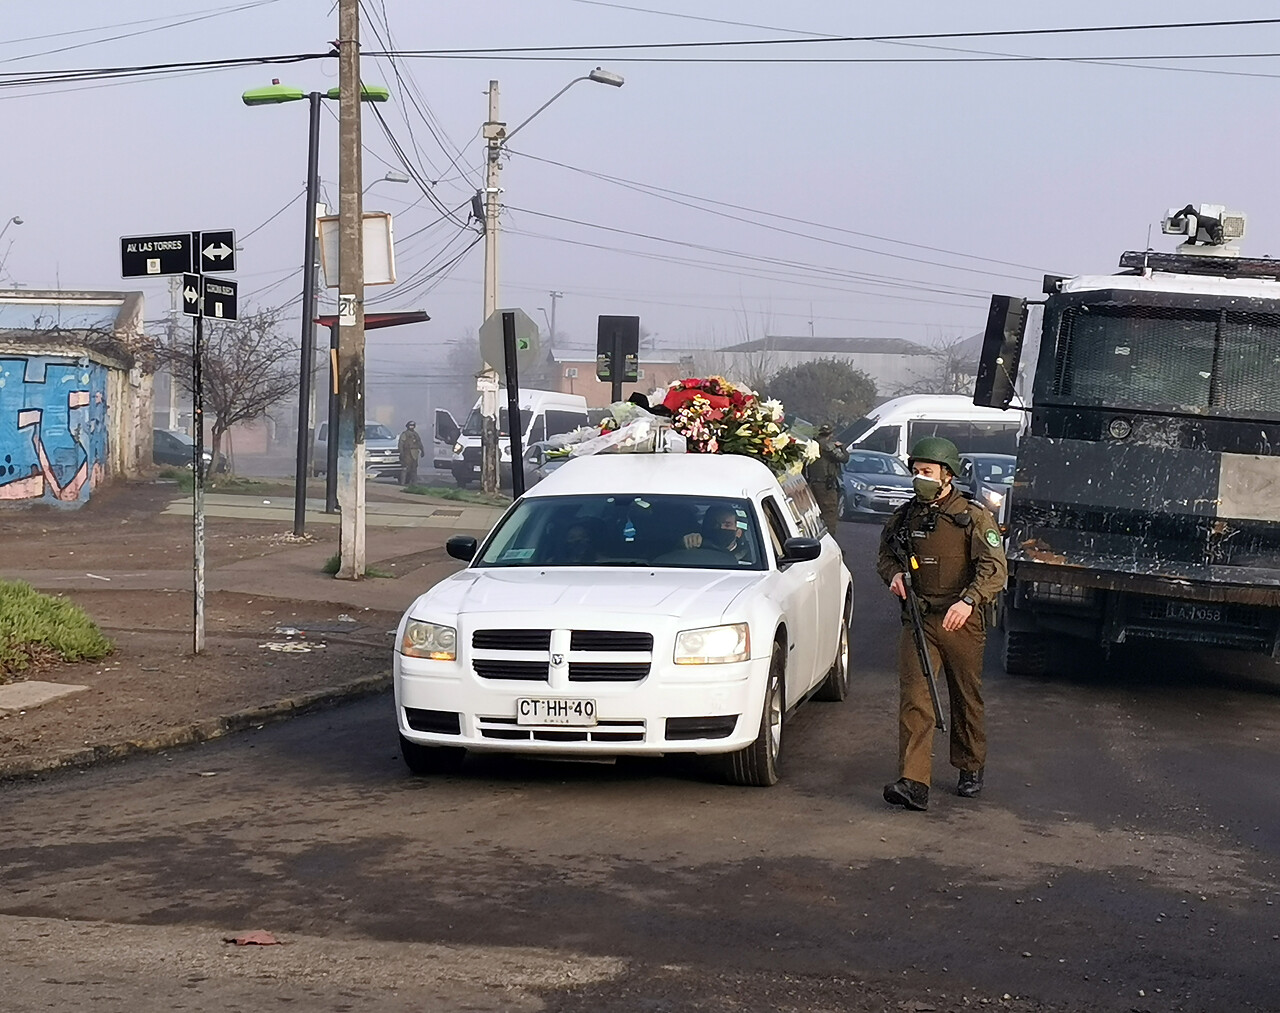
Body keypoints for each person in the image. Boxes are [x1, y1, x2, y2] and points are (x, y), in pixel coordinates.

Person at [876, 437, 1007, 812]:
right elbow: (885, 555)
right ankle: (914, 782)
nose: (920, 478)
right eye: (916, 472)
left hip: (961, 621)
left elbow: (994, 568)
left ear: (947, 475)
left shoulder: (974, 517)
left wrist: (969, 600)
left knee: (966, 696)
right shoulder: (904, 517)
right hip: (919, 618)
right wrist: (894, 575)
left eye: (928, 472)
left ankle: (970, 764)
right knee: (915, 699)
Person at [805, 423, 849, 532]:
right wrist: (842, 448)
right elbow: (843, 459)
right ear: (830, 434)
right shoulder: (828, 446)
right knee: (829, 512)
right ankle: (830, 541)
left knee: (814, 513)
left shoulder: (811, 445)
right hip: (825, 485)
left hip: (812, 482)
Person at [682, 503, 749, 561]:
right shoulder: (696, 549)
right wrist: (685, 543)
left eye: (727, 525)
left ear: (738, 532)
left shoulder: (751, 558)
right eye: (714, 524)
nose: (721, 527)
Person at [397, 420, 425, 486]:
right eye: (410, 425)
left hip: (415, 453)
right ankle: (403, 483)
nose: (411, 427)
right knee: (405, 468)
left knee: (414, 469)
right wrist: (401, 453)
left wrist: (422, 451)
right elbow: (401, 444)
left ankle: (414, 483)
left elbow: (419, 443)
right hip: (407, 452)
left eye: (413, 426)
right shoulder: (405, 434)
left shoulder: (416, 434)